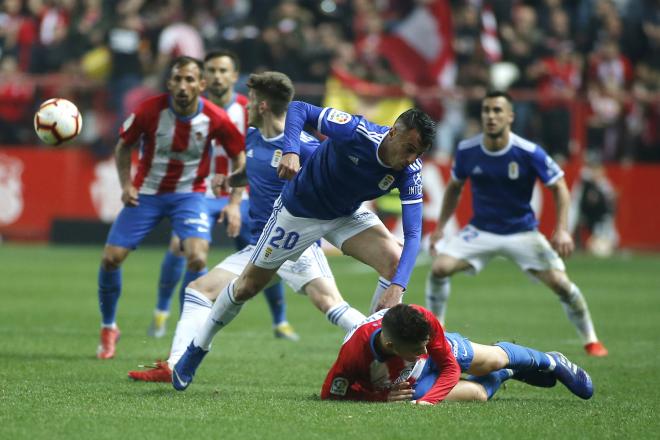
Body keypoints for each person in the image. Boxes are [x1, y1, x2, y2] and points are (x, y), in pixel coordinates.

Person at [171, 100, 437, 391]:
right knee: (247, 286)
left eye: (419, 153)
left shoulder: (410, 171)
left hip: (345, 215)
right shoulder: (356, 130)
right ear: (393, 132)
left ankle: (371, 355)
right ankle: (198, 348)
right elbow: (298, 108)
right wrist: (291, 151)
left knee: (395, 261)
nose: (412, 159)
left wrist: (397, 287)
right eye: (410, 149)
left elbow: (414, 236)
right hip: (299, 214)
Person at [128, 71, 366, 382]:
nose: (246, 107)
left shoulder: (305, 147)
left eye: (250, 101)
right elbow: (253, 170)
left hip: (296, 244)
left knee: (331, 305)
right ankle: (175, 364)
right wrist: (229, 181)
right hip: (260, 247)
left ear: (263, 105)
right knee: (199, 292)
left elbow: (336, 185)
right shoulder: (253, 139)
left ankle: (399, 353)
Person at [425, 90, 608, 357]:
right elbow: (454, 188)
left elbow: (559, 186)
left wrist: (562, 230)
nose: (491, 116)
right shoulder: (467, 150)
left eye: (497, 111)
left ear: (510, 117)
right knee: (440, 268)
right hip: (481, 231)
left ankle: (591, 339)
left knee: (561, 284)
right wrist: (440, 228)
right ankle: (436, 331)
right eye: (486, 110)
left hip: (522, 233)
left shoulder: (528, 152)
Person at [95, 56, 245, 360]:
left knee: (197, 256)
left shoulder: (215, 117)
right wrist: (126, 185)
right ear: (169, 83)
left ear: (201, 85)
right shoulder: (150, 110)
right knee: (111, 259)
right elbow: (123, 145)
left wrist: (233, 200)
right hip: (147, 194)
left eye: (190, 80)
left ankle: (184, 333)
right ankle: (109, 327)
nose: (183, 85)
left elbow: (240, 157)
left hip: (190, 195)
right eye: (177, 79)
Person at [149, 50, 298, 342]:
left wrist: (233, 202)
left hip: (240, 194)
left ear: (233, 76)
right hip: (198, 191)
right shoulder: (190, 109)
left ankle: (280, 321)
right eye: (212, 71)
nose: (217, 76)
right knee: (182, 246)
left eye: (223, 71)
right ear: (203, 77)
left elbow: (250, 158)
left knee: (264, 251)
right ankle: (166, 314)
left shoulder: (248, 109)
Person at [321, 304, 594, 404]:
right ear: (392, 347)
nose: (424, 352)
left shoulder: (422, 321)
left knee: (490, 360)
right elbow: (331, 394)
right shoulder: (354, 356)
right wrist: (381, 396)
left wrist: (429, 403)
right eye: (417, 349)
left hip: (442, 354)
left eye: (425, 344)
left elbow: (449, 367)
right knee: (478, 395)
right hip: (410, 383)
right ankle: (506, 374)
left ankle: (553, 361)